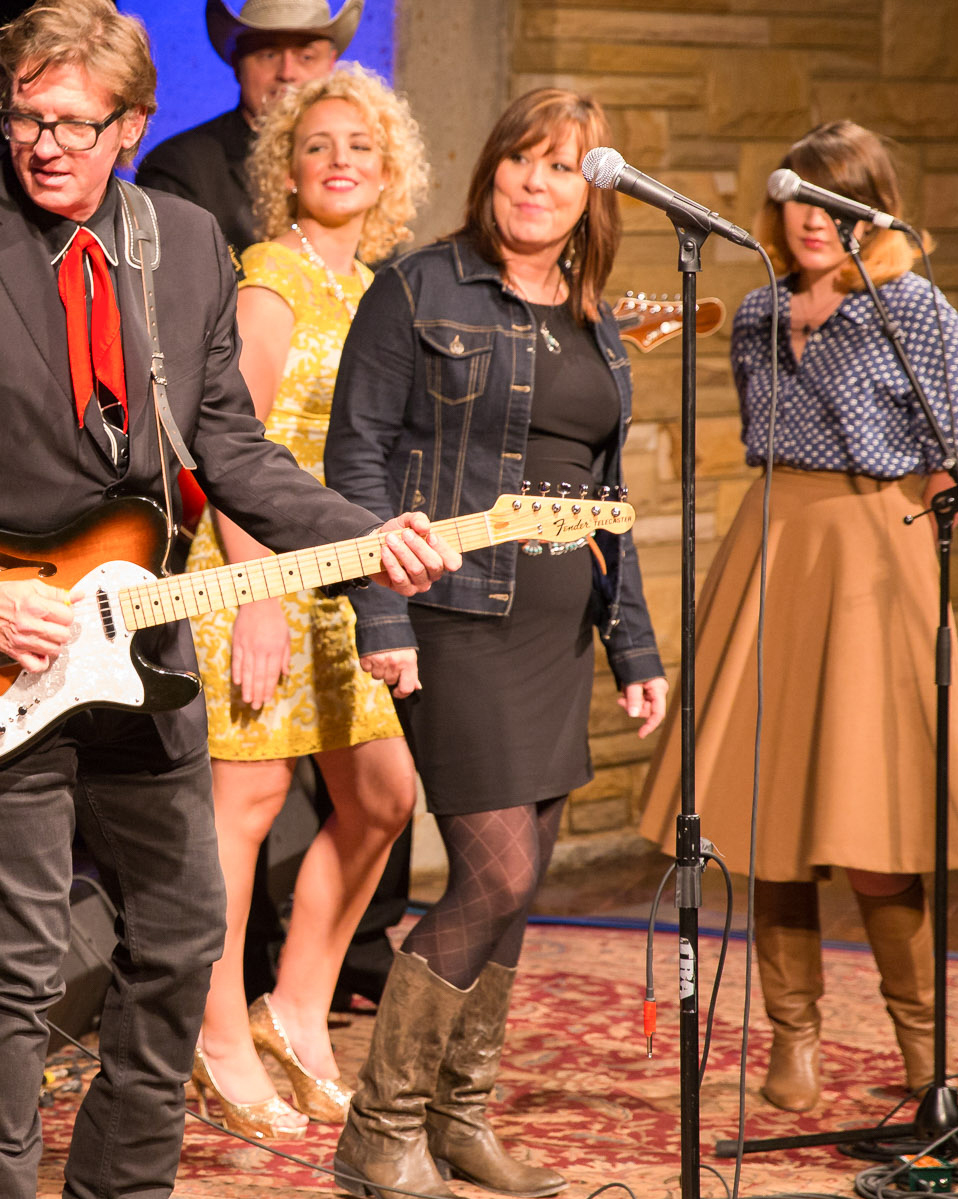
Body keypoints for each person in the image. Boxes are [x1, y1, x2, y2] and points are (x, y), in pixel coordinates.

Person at [0, 0, 456, 1199]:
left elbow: (230, 450)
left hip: (141, 647)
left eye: (78, 124)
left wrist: (366, 537)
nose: (47, 144)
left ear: (132, 125)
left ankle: (119, 1185)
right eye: (29, 117)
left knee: (183, 938)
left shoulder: (183, 243)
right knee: (17, 960)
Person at [322, 88, 669, 1199]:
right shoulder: (416, 286)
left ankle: (459, 1116)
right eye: (521, 158)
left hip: (562, 628)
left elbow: (603, 495)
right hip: (453, 617)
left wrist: (635, 646)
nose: (536, 181)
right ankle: (381, 1131)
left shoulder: (595, 319)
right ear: (492, 171)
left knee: (516, 889)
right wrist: (380, 610)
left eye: (563, 167)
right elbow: (356, 457)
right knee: (497, 866)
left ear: (591, 192)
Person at [635, 120, 958, 1112]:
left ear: (875, 209)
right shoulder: (759, 310)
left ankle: (924, 1056)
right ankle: (791, 1040)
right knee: (768, 816)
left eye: (838, 199)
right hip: (772, 552)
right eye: (802, 195)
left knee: (878, 830)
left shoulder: (915, 308)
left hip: (874, 554)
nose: (814, 216)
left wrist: (899, 541)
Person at [184, 65, 431, 1141]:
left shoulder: (379, 285)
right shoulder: (270, 274)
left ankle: (293, 1006)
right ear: (286, 168)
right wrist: (254, 596)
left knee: (381, 794)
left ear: (389, 175)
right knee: (241, 810)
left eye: (360, 148)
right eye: (318, 145)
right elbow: (227, 448)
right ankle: (217, 1035)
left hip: (340, 578)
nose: (339, 161)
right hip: (252, 569)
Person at [135, 0, 361, 255]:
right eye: (268, 54)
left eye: (306, 56)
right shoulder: (181, 167)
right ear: (237, 64)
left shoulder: (356, 166)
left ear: (331, 65)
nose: (287, 72)